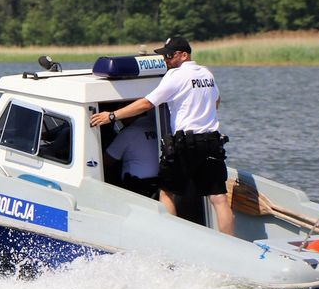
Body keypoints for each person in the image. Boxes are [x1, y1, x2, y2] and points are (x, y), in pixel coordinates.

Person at [90, 36, 234, 235]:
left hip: (186, 144)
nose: (166, 59)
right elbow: (216, 101)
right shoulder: (206, 74)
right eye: (165, 55)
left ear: (184, 55)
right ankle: (230, 244)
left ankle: (172, 242)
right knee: (219, 199)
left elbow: (147, 104)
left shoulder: (175, 75)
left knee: (167, 192)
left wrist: (112, 116)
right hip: (212, 142)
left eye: (169, 55)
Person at [103, 111, 160, 198]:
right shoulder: (157, 126)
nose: (120, 118)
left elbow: (105, 162)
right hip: (161, 185)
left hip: (138, 188)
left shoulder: (128, 133)